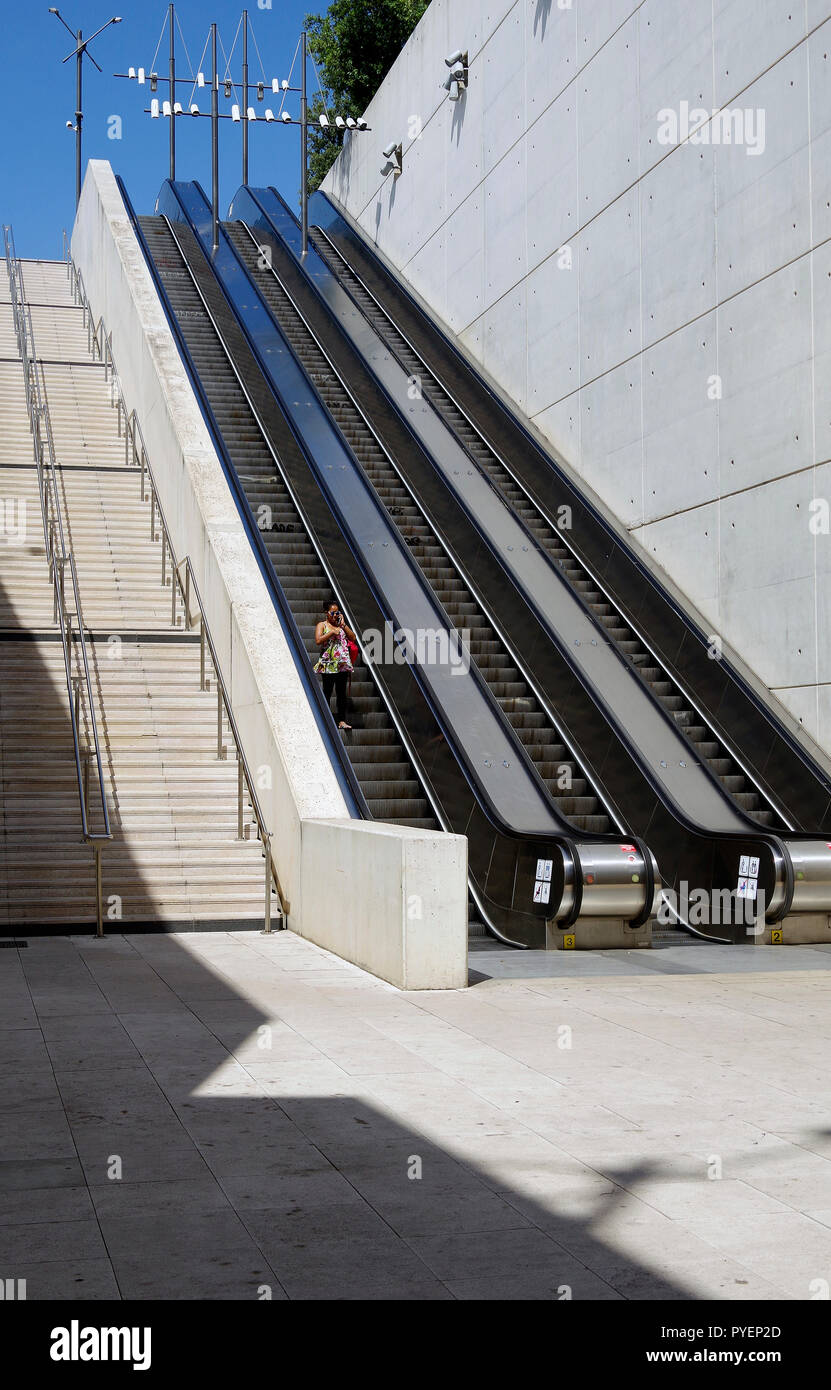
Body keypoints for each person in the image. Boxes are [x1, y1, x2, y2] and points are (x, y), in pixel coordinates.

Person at [314, 600, 356, 730]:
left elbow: (353, 637)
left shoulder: (341, 625)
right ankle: (325, 718)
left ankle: (342, 720)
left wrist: (343, 625)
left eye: (337, 612)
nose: (335, 615)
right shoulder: (322, 625)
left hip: (341, 664)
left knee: (341, 693)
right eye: (333, 612)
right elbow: (318, 640)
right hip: (328, 664)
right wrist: (332, 632)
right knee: (327, 691)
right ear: (326, 612)